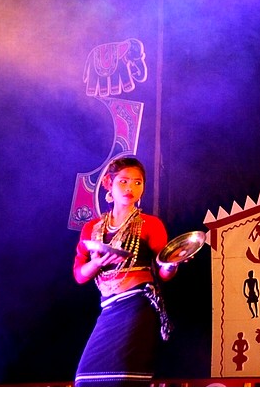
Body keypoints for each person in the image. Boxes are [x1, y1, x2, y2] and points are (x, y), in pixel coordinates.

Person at [72, 156, 177, 386]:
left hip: (137, 305)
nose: (130, 188)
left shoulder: (150, 224)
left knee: (123, 381)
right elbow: (79, 275)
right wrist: (97, 264)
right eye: (124, 181)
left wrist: (172, 264)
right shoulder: (92, 228)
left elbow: (163, 273)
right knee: (86, 380)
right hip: (108, 307)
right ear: (109, 184)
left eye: (138, 182)